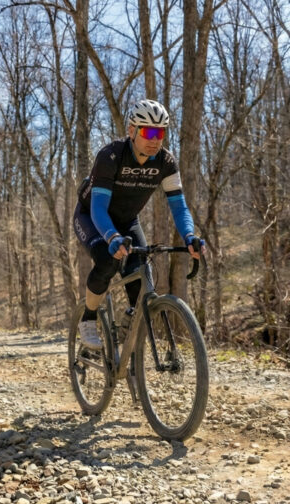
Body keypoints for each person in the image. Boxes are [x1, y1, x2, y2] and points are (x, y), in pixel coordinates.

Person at [73, 99, 202, 349]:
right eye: (148, 132)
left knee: (140, 281)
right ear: (132, 130)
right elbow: (98, 207)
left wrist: (189, 236)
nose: (155, 139)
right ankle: (88, 319)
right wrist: (111, 237)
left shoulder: (165, 163)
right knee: (108, 261)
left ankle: (129, 343)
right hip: (91, 217)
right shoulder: (110, 156)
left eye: (161, 132)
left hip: (127, 221)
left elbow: (178, 206)